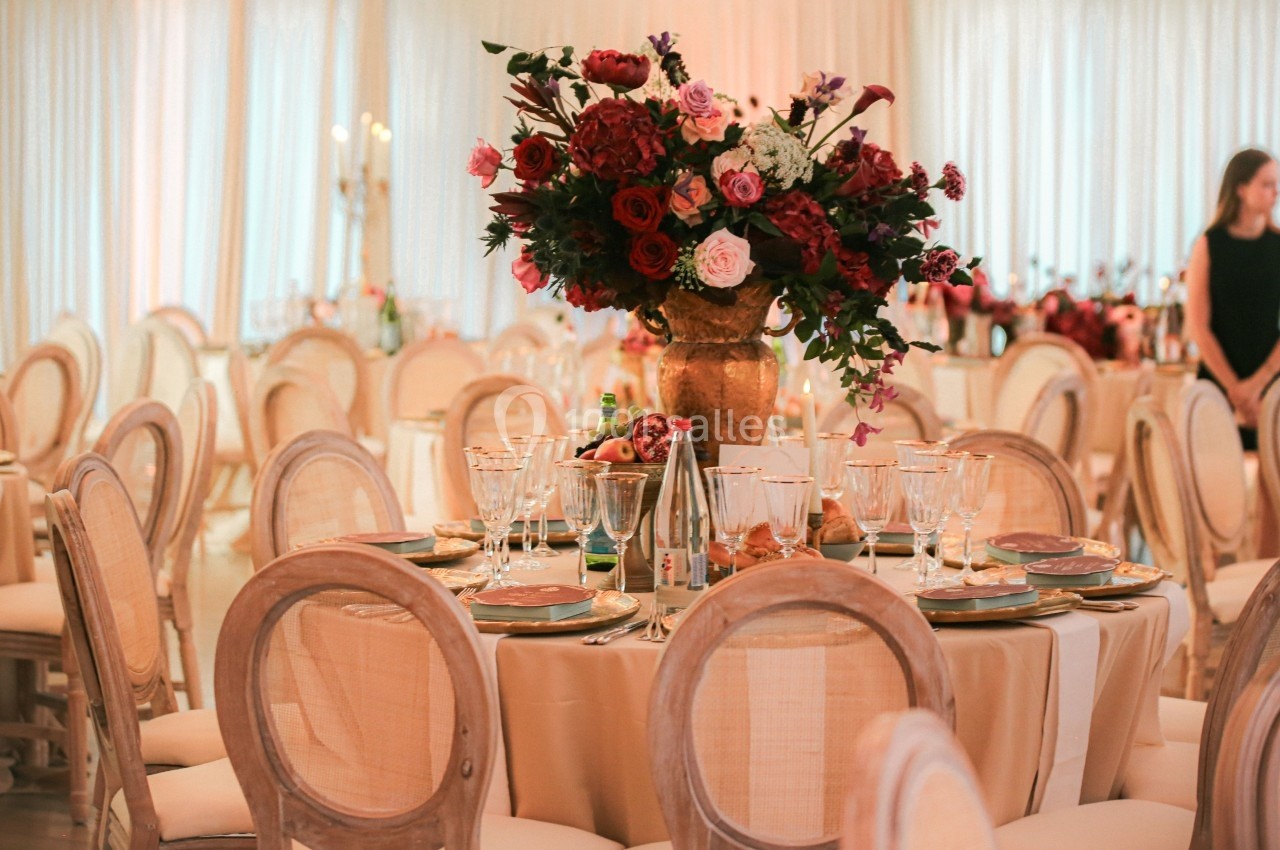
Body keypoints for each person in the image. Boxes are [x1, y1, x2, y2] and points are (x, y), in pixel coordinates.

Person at [1186, 148, 1280, 449]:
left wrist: (1256, 386)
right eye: (1267, 184)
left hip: (1271, 383)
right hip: (1217, 383)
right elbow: (1199, 325)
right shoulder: (1208, 245)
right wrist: (1235, 391)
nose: (1275, 192)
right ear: (1241, 188)